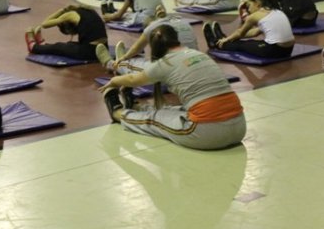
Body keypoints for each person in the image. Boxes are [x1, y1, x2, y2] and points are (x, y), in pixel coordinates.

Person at [97, 24, 246, 150]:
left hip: (207, 133)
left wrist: (114, 81)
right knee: (172, 110)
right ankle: (136, 107)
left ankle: (118, 113)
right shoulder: (199, 54)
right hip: (239, 126)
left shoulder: (164, 63)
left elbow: (132, 79)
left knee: (154, 120)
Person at [96, 5, 198, 72]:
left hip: (173, 72)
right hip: (195, 64)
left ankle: (111, 64)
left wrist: (125, 57)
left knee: (135, 65)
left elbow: (136, 48)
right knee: (148, 60)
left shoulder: (154, 27)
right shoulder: (183, 22)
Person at [204, 0, 295, 59]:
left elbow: (240, 32)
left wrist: (229, 39)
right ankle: (223, 39)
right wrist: (231, 37)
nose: (249, 9)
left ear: (257, 3)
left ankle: (216, 43)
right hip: (288, 50)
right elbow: (254, 32)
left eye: (249, 5)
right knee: (247, 42)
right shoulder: (276, 11)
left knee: (242, 45)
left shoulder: (255, 16)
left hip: (274, 51)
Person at [26, 4, 108, 61]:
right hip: (104, 48)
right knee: (70, 44)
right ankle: (43, 45)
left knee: (58, 47)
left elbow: (44, 24)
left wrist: (61, 11)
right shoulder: (90, 11)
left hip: (89, 53)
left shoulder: (70, 14)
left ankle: (34, 47)